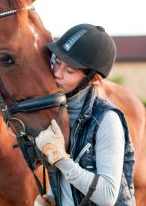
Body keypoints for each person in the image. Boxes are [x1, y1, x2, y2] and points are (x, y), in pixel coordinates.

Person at [34, 24, 135, 206]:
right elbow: (66, 178)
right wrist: (53, 197)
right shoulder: (57, 113)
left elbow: (107, 196)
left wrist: (60, 159)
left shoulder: (107, 120)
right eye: (57, 62)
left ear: (93, 79)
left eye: (70, 71)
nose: (57, 74)